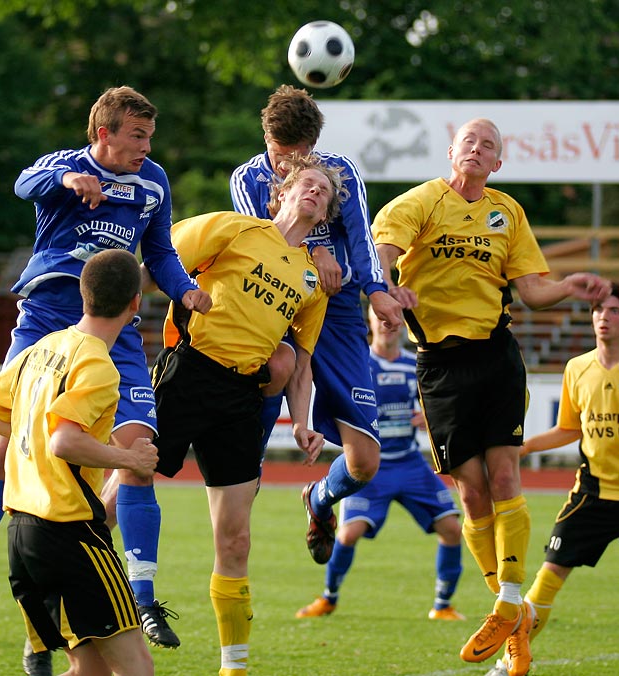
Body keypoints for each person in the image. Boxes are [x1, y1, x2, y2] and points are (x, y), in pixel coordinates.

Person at [0, 86, 211, 668]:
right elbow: (23, 183)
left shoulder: (153, 183)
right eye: (136, 135)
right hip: (48, 318)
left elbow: (158, 251)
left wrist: (184, 288)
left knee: (139, 451)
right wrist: (67, 182)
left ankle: (141, 594)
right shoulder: (64, 165)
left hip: (116, 329)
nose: (145, 147)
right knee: (4, 447)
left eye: (149, 137)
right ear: (103, 133)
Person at [371, 118, 611, 676]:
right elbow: (382, 250)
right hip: (438, 363)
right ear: (451, 151)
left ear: (498, 163)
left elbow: (531, 291)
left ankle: (508, 601)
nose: (478, 150)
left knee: (505, 478)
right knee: (472, 494)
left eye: (489, 147)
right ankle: (517, 622)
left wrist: (571, 285)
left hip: (495, 354)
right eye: (469, 142)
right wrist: (385, 284)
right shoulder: (420, 202)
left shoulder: (509, 213)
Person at [151, 155, 343, 676]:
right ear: (280, 193)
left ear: (325, 213)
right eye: (307, 183)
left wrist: (302, 422)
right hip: (189, 371)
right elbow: (158, 254)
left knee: (236, 538)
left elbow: (301, 363)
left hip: (244, 397)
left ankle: (233, 667)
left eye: (323, 192)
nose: (315, 192)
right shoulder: (234, 228)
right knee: (122, 488)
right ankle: (73, 579)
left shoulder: (312, 278)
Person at [230, 84, 403, 569]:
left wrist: (377, 291)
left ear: (315, 144)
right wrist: (316, 251)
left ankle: (320, 497)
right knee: (276, 373)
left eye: (302, 154)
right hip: (280, 306)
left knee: (366, 462)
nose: (291, 165)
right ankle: (241, 496)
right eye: (282, 155)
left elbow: (363, 237)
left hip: (339, 310)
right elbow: (265, 249)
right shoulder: (247, 179)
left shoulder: (341, 173)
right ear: (266, 139)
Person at [0, 249, 157, 676]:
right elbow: (64, 441)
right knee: (137, 669)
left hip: (21, 534)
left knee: (89, 671)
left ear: (82, 292)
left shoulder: (44, 346)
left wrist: (31, 438)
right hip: (70, 535)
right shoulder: (98, 364)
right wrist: (127, 457)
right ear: (135, 304)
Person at [295, 303, 465, 621]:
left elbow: (437, 408)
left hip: (410, 463)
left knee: (452, 528)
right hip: (373, 467)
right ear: (370, 321)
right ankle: (328, 597)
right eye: (380, 316)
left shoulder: (414, 364)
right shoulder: (359, 365)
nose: (388, 323)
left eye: (393, 317)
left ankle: (443, 606)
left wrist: (427, 418)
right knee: (348, 534)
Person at [485, 283, 619, 676]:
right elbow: (568, 429)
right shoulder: (578, 368)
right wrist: (521, 448)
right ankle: (510, 661)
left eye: (612, 311)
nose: (603, 318)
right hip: (592, 494)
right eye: (597, 310)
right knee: (546, 580)